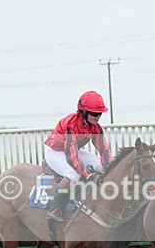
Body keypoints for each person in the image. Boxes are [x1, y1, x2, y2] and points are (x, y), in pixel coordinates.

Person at [43, 91, 113, 222]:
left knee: (100, 164)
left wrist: (111, 167)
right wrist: (87, 174)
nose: (98, 116)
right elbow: (71, 155)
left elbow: (104, 150)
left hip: (71, 150)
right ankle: (54, 208)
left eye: (100, 113)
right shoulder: (71, 124)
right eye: (94, 113)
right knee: (73, 173)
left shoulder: (96, 127)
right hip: (55, 151)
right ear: (83, 112)